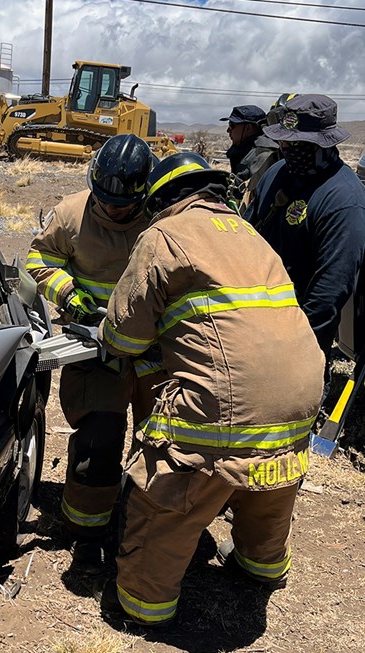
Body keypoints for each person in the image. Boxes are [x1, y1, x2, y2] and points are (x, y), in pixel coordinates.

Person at [97, 152, 324, 626]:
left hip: (227, 404)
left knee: (170, 490)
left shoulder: (163, 235)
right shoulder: (250, 234)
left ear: (159, 199)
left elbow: (124, 337)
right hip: (301, 394)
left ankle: (145, 603)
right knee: (269, 481)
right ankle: (261, 565)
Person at [25, 134, 164, 568]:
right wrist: (69, 295)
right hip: (93, 345)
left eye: (122, 206)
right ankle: (85, 529)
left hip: (151, 351)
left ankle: (153, 527)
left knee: (162, 438)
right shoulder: (71, 214)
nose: (111, 210)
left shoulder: (162, 221)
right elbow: (35, 261)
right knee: (99, 437)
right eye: (104, 201)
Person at [244, 94, 365, 398]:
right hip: (251, 321)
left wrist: (295, 349)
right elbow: (248, 234)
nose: (285, 148)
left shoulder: (342, 199)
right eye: (284, 141)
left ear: (323, 144)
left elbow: (330, 289)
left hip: (299, 337)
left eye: (295, 144)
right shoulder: (276, 174)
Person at [220, 105, 280, 212]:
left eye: (232, 125)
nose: (228, 130)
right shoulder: (246, 150)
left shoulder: (263, 154)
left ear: (248, 128)